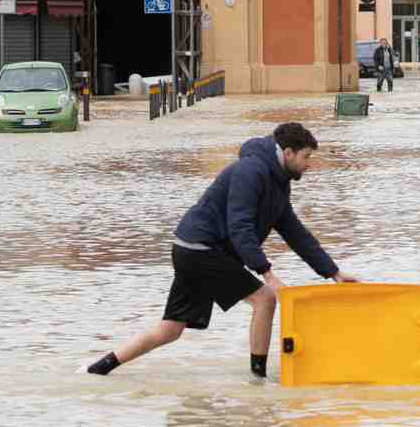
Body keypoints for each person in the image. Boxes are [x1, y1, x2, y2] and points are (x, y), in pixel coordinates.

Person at [82, 122, 360, 379]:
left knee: (171, 328)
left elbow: (295, 232)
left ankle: (99, 369)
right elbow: (240, 226)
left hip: (192, 249)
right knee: (265, 299)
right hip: (200, 249)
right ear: (288, 153)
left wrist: (333, 272)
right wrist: (267, 274)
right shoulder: (251, 171)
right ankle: (258, 379)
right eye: (307, 157)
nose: (309, 164)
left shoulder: (278, 181)